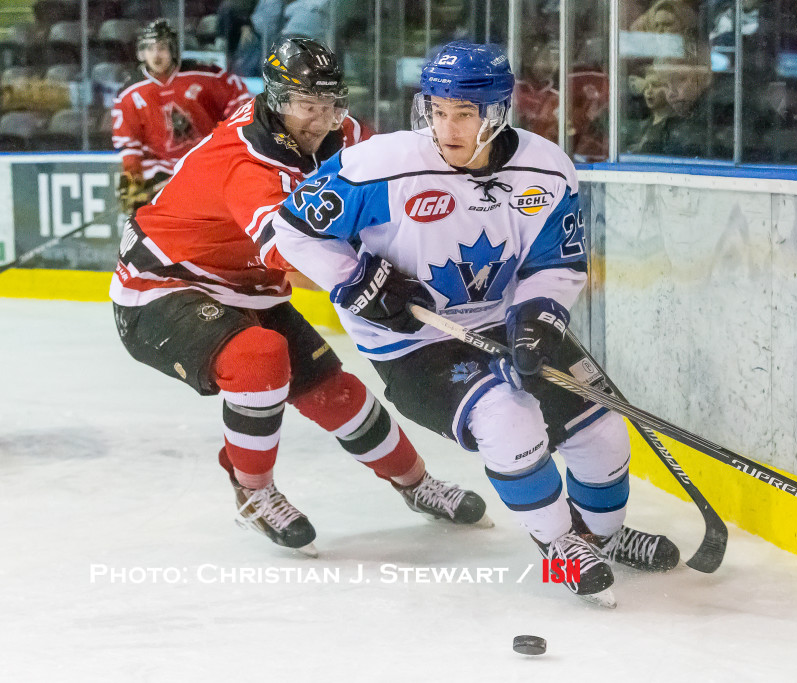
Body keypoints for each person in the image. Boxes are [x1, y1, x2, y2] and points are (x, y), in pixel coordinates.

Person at [263, 41, 680, 605]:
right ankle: (560, 549)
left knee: (602, 430)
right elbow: (289, 229)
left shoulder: (548, 170)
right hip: (414, 344)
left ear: (498, 112)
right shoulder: (378, 166)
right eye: (436, 110)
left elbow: (556, 264)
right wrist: (353, 278)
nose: (446, 127)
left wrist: (538, 316)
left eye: (464, 113)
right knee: (509, 418)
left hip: (504, 323)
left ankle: (600, 537)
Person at [110, 36, 488, 556]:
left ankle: (416, 484)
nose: (320, 118)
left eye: (331, 103)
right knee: (258, 359)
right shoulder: (248, 162)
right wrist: (363, 283)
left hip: (249, 289)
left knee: (338, 394)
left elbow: (406, 179)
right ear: (277, 101)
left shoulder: (343, 134)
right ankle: (253, 491)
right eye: (307, 105)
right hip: (162, 286)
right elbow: (289, 250)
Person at [112, 19, 251, 214]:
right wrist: (133, 178)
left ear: (173, 49)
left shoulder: (205, 75)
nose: (155, 55)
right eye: (150, 49)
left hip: (207, 166)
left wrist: (230, 139)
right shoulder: (129, 92)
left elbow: (240, 99)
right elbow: (129, 143)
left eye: (161, 48)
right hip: (160, 174)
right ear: (141, 52)